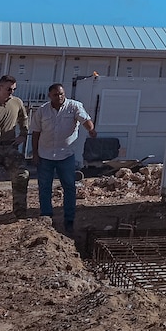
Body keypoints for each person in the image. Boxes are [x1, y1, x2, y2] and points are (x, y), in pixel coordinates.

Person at [30, 83, 95, 234]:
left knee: (69, 187)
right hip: (45, 154)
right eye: (55, 95)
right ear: (49, 96)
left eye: (61, 94)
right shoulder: (42, 111)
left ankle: (69, 220)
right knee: (45, 187)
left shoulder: (74, 106)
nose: (59, 97)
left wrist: (91, 130)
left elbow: (86, 120)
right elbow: (35, 133)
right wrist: (34, 153)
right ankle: (46, 216)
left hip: (66, 155)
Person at [0, 75, 31, 220]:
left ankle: (20, 214)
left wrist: (23, 134)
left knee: (21, 176)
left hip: (10, 147)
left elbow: (23, 118)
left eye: (13, 89)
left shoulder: (17, 102)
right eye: (9, 89)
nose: (11, 92)